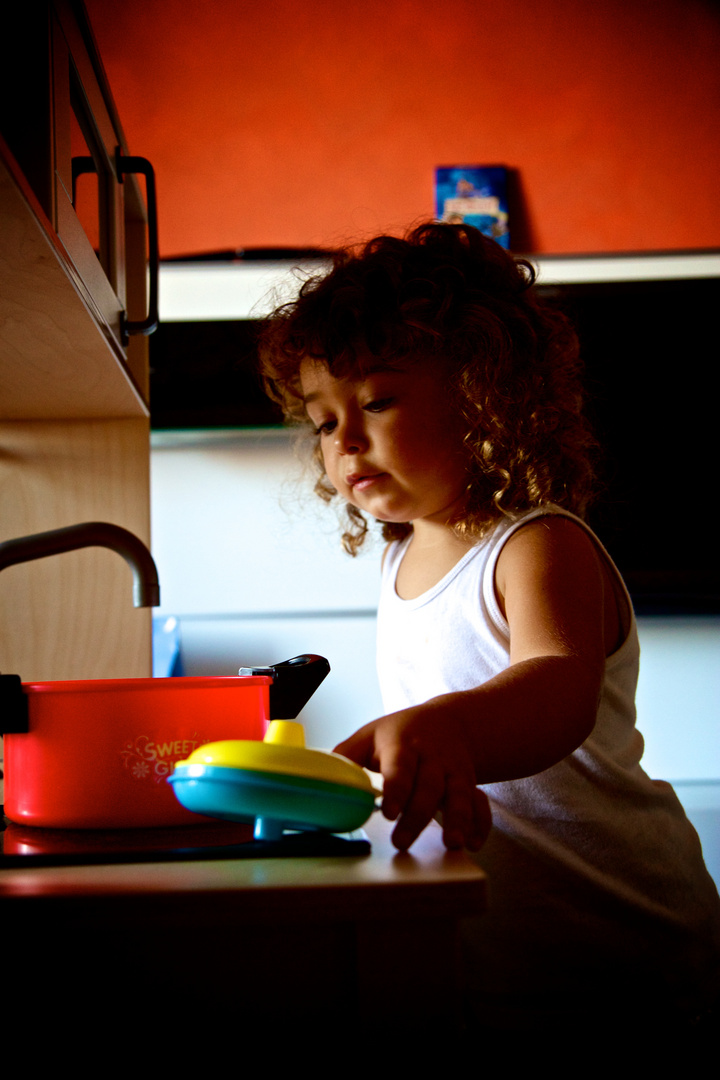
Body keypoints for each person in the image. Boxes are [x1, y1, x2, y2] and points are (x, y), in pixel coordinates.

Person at [259, 222, 720, 1041]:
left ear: (484, 395)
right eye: (325, 421)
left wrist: (442, 728)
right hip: (502, 945)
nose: (346, 441)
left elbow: (556, 688)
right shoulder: (401, 559)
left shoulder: (538, 544)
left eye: (378, 401)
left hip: (622, 942)